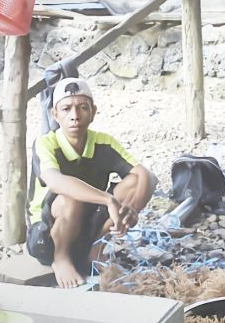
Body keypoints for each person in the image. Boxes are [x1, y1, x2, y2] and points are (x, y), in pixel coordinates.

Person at [26, 77, 156, 288]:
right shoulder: (45, 143)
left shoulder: (103, 142)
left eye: (82, 108)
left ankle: (96, 250)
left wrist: (133, 209)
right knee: (71, 198)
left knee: (134, 182)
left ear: (93, 112)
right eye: (66, 109)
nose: (75, 116)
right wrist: (108, 199)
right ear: (55, 115)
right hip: (47, 234)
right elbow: (55, 181)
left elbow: (144, 175)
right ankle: (61, 258)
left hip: (89, 224)